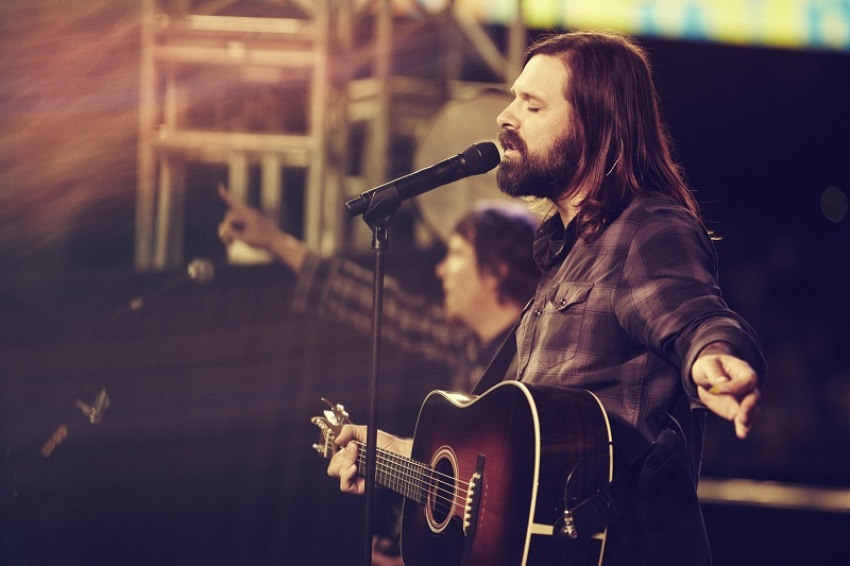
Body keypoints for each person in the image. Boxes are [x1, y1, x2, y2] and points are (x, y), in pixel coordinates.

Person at [327, 30, 766, 566]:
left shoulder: (647, 229)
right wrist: (391, 454)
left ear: (594, 124)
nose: (505, 117)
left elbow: (694, 313)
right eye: (513, 98)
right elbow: (514, 467)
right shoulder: (562, 255)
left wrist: (713, 357)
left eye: (532, 105)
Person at [217, 188, 541, 562]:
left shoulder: (539, 360)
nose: (440, 270)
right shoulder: (467, 348)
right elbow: (382, 307)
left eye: (454, 254)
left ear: (497, 269)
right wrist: (275, 242)